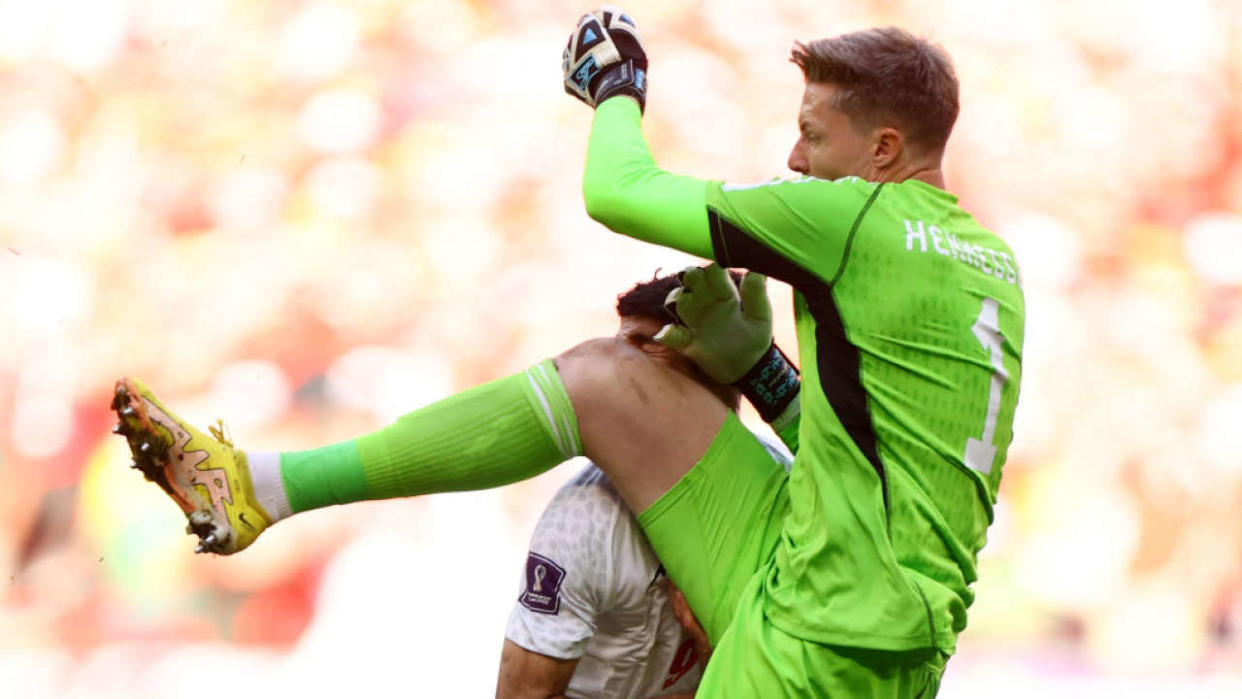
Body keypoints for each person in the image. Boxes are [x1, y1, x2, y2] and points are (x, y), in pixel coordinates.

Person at [113, 7, 1023, 696]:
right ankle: (258, 485)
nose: (793, 156)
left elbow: (617, 190)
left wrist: (617, 87)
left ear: (886, 149)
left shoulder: (857, 214)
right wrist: (760, 369)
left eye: (815, 136)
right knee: (608, 382)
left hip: (827, 638)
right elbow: (880, 462)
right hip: (849, 581)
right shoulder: (991, 268)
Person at [498, 271, 791, 699]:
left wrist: (713, 648)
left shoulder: (787, 496)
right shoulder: (586, 518)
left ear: (722, 361)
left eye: (641, 349)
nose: (615, 369)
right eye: (620, 348)